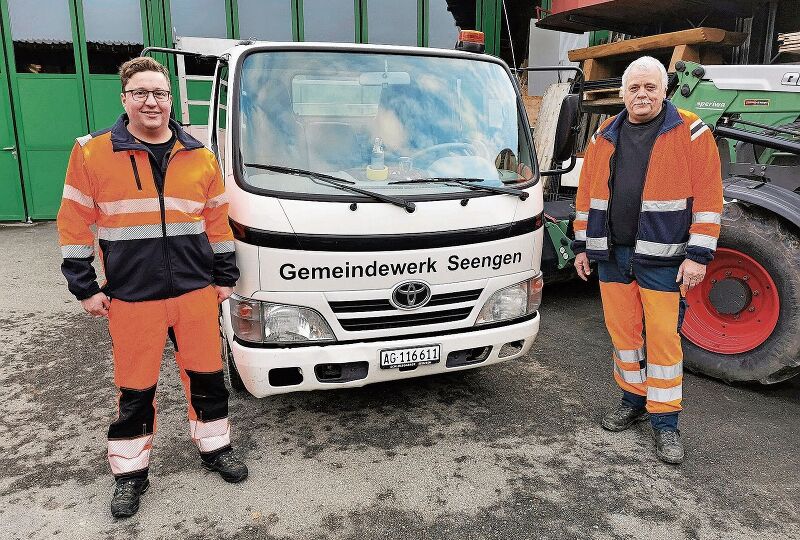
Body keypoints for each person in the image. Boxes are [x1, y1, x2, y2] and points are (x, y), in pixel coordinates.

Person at [57, 57, 247, 518]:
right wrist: (84, 287)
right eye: (140, 93)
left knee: (206, 377)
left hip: (195, 292)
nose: (151, 102)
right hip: (131, 296)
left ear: (170, 99)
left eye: (159, 93)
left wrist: (224, 278)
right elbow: (73, 223)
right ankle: (129, 475)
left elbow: (217, 220)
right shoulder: (91, 152)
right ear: (124, 99)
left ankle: (214, 448)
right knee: (136, 388)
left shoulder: (199, 153)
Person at [572, 56, 723, 464]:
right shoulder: (604, 133)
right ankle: (632, 401)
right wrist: (583, 246)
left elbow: (710, 200)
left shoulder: (690, 131)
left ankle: (666, 423)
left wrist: (698, 255)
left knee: (662, 341)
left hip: (665, 260)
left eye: (650, 88)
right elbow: (586, 196)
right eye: (634, 88)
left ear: (664, 90)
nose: (642, 95)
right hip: (613, 255)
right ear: (622, 93)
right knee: (623, 337)